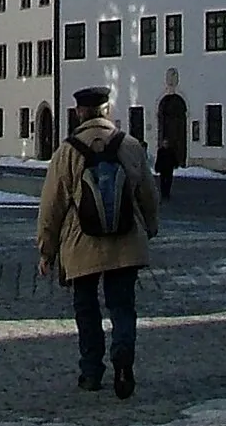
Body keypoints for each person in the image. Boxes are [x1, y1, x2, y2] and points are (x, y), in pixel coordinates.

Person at [35, 86, 159, 399]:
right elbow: (148, 193)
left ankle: (91, 371)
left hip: (81, 242)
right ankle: (123, 352)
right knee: (122, 304)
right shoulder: (130, 146)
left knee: (86, 308)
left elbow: (52, 205)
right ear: (107, 110)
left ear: (80, 113)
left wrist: (46, 250)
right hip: (126, 240)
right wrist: (151, 226)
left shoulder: (67, 152)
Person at [154, 138, 177, 203]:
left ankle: (167, 193)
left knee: (169, 181)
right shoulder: (160, 151)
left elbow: (174, 158)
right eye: (164, 143)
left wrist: (176, 164)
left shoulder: (171, 151)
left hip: (169, 168)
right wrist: (157, 167)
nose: (165, 145)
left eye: (166, 143)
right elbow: (158, 159)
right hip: (163, 169)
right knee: (162, 181)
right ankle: (163, 193)